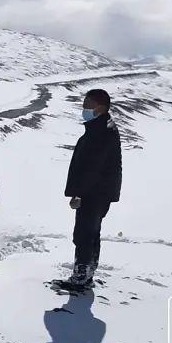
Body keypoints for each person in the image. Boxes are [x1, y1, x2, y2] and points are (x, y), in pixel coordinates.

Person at [64, 88, 122, 287]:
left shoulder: (101, 132)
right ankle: (87, 273)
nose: (84, 108)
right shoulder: (102, 127)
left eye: (88, 105)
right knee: (91, 232)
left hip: (94, 192)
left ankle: (81, 277)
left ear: (101, 108)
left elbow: (92, 167)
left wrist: (79, 193)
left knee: (84, 234)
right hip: (100, 192)